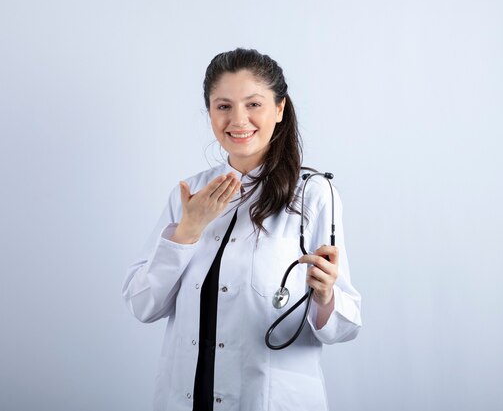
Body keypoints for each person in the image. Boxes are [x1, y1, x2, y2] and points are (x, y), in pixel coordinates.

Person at [122, 48, 362, 411]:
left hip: (267, 398)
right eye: (223, 106)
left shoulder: (313, 194)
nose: (238, 119)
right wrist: (187, 231)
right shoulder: (188, 194)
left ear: (279, 109)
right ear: (209, 113)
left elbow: (345, 326)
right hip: (187, 396)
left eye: (253, 104)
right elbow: (143, 306)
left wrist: (326, 296)